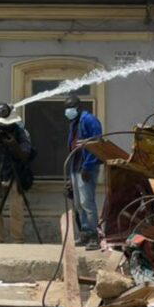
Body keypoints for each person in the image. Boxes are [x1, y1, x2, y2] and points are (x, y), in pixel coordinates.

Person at [0, 112, 34, 243]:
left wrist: (14, 145)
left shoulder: (21, 133)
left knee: (16, 209)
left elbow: (26, 155)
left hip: (16, 174)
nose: (4, 128)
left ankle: (17, 239)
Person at [65, 96, 102, 250]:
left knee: (87, 202)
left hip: (86, 168)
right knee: (79, 204)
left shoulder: (89, 120)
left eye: (70, 107)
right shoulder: (74, 123)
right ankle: (85, 234)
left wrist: (88, 167)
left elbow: (96, 144)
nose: (67, 111)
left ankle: (94, 236)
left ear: (78, 107)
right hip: (75, 167)